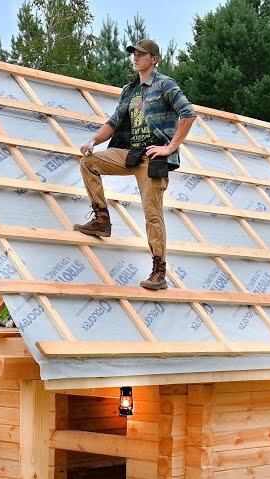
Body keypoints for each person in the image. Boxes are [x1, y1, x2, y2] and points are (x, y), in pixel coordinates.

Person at [72, 39, 196, 291]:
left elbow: (188, 113)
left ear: (154, 59)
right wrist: (93, 140)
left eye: (142, 54)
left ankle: (159, 271)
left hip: (153, 159)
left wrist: (170, 147)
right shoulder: (129, 89)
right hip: (131, 153)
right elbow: (114, 122)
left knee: (152, 214)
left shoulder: (165, 84)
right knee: (89, 162)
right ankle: (101, 220)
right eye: (134, 54)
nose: (136, 57)